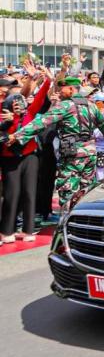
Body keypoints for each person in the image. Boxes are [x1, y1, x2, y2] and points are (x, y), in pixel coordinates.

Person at [8, 77, 104, 210]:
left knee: (68, 190)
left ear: (72, 89)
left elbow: (41, 122)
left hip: (72, 154)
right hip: (90, 153)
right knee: (86, 190)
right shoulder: (92, 106)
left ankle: (66, 222)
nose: (60, 92)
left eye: (62, 89)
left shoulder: (65, 106)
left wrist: (17, 136)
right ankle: (82, 220)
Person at [0, 69, 51, 245]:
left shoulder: (30, 112)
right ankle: (7, 230)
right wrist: (9, 120)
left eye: (21, 102)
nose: (18, 104)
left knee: (30, 192)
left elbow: (42, 94)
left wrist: (47, 79)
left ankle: (28, 229)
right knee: (11, 194)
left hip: (30, 157)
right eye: (15, 102)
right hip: (9, 158)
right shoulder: (4, 115)